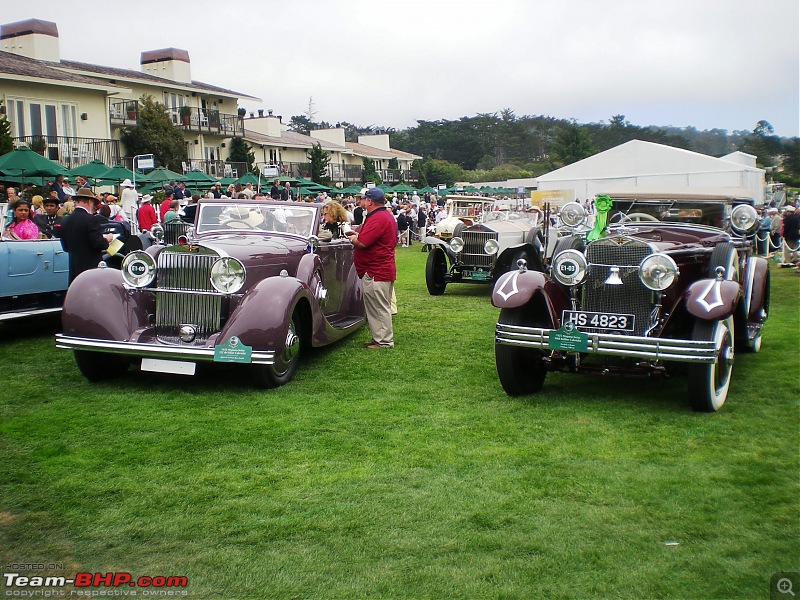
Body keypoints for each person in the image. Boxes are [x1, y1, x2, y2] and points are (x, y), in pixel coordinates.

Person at [345, 187, 396, 349]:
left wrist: (352, 237)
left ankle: (384, 341)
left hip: (377, 270)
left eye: (364, 199)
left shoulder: (379, 218)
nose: (361, 201)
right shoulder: (381, 216)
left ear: (370, 201)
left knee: (379, 307)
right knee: (375, 306)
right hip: (378, 268)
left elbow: (363, 243)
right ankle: (379, 338)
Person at [59, 187, 112, 282]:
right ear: (89, 202)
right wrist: (107, 239)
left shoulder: (65, 220)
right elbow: (98, 244)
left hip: (74, 269)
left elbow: (65, 247)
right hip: (90, 269)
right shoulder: (91, 219)